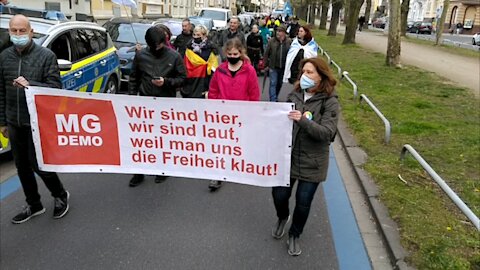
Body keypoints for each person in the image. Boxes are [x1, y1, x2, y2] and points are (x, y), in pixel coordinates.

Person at [0, 15, 70, 224]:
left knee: (39, 165)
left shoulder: (46, 56)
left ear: (31, 32)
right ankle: (34, 204)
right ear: (9, 32)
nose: (18, 35)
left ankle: (60, 195)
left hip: (37, 122)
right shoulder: (4, 57)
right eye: (14, 31)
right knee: (21, 167)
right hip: (14, 122)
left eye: (22, 31)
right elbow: (1, 91)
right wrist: (3, 121)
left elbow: (55, 88)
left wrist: (30, 84)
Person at [271, 57, 339, 256]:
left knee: (303, 201)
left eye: (310, 72)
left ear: (321, 76)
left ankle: (295, 234)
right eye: (303, 72)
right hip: (288, 157)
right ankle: (283, 217)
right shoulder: (294, 95)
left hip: (313, 161)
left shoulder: (330, 102)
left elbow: (327, 133)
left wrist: (302, 120)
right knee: (279, 194)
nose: (305, 76)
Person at [128, 25, 187, 187]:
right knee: (141, 141)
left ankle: (163, 170)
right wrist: (132, 99)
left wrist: (166, 82)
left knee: (163, 140)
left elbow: (183, 78)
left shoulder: (174, 56)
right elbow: (134, 78)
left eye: (160, 45)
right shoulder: (141, 55)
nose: (157, 48)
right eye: (154, 46)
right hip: (144, 104)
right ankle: (138, 172)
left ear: (164, 41)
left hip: (165, 104)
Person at [207, 38, 260, 191]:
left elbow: (253, 94)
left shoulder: (249, 70)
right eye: (229, 53)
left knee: (239, 144)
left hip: (242, 115)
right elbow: (213, 91)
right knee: (221, 145)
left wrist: (250, 112)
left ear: (241, 53)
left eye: (235, 53)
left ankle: (240, 167)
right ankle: (217, 175)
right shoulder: (220, 70)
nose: (232, 56)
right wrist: (217, 107)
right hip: (223, 116)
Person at [182, 25, 219, 98]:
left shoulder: (210, 48)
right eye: (194, 35)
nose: (195, 37)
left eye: (198, 35)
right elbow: (185, 65)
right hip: (190, 82)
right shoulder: (189, 48)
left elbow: (213, 69)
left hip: (204, 82)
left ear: (205, 36)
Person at [263, 26, 291, 102]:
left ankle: (275, 95)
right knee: (273, 83)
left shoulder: (288, 41)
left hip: (283, 67)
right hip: (273, 66)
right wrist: (265, 65)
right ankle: (273, 100)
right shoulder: (272, 41)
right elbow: (266, 53)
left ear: (284, 33)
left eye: (280, 31)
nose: (278, 33)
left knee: (279, 83)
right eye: (277, 31)